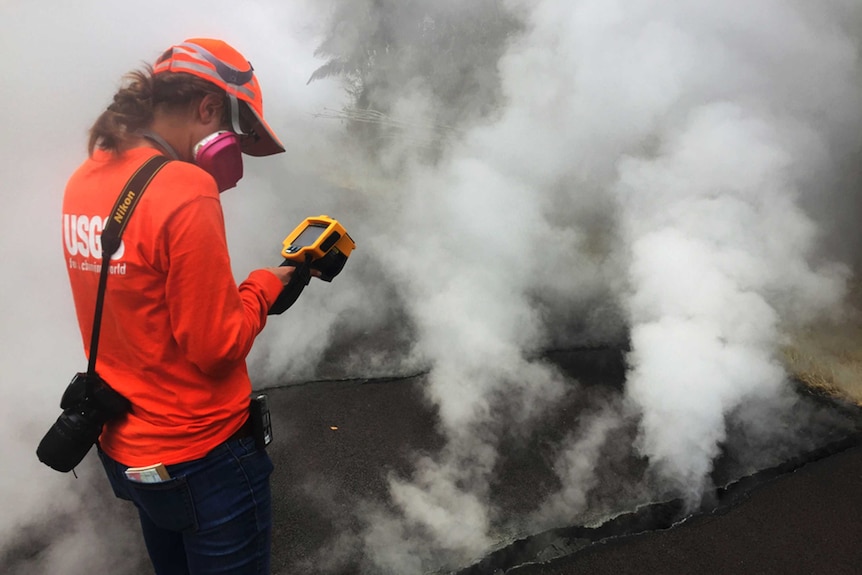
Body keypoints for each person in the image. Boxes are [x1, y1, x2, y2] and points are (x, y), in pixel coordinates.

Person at [61, 38, 293, 575]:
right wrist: (265, 284)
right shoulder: (184, 187)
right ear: (208, 108)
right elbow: (215, 348)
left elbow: (139, 306)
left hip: (124, 448)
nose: (233, 147)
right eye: (234, 132)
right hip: (202, 457)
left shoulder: (86, 177)